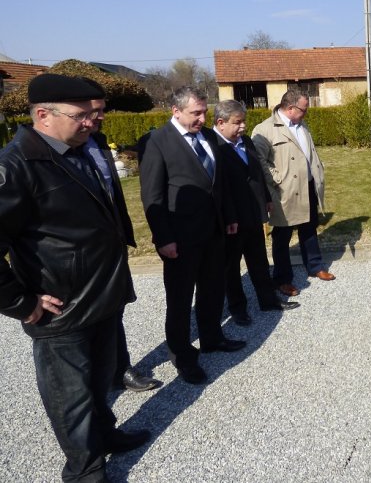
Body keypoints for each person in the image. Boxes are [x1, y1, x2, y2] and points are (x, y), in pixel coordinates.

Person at [0, 74, 150, 482]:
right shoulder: (16, 165)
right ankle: (85, 471)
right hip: (60, 308)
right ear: (43, 115)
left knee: (100, 381)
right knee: (71, 398)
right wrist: (20, 302)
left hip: (100, 297)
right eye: (81, 115)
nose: (91, 122)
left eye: (93, 114)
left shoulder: (78, 150)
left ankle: (105, 435)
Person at [138, 86, 244, 385]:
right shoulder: (157, 142)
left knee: (212, 290)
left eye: (204, 112)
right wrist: (163, 238)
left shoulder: (209, 137)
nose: (202, 118)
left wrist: (231, 216)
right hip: (180, 238)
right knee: (181, 300)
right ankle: (183, 356)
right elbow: (152, 195)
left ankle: (212, 338)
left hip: (214, 231)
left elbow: (220, 184)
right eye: (195, 113)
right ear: (176, 111)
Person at [81, 81, 162, 392]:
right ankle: (93, 381)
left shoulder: (98, 142)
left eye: (103, 110)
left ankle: (120, 368)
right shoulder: (41, 156)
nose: (102, 117)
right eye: (95, 111)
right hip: (75, 259)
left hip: (110, 248)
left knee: (114, 311)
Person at [213, 99, 300, 325]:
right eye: (237, 123)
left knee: (259, 260)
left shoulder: (246, 142)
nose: (243, 127)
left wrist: (267, 199)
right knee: (231, 267)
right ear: (220, 123)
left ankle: (268, 300)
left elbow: (258, 174)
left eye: (244, 122)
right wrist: (229, 215)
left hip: (253, 213)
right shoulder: (213, 146)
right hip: (230, 219)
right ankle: (238, 308)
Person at [251, 91, 335, 297]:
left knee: (309, 228)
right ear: (290, 108)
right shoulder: (264, 129)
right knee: (282, 235)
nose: (306, 113)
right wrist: (277, 179)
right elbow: (259, 161)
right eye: (303, 110)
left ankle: (315, 266)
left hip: (307, 186)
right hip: (284, 191)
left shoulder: (301, 125)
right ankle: (282, 278)